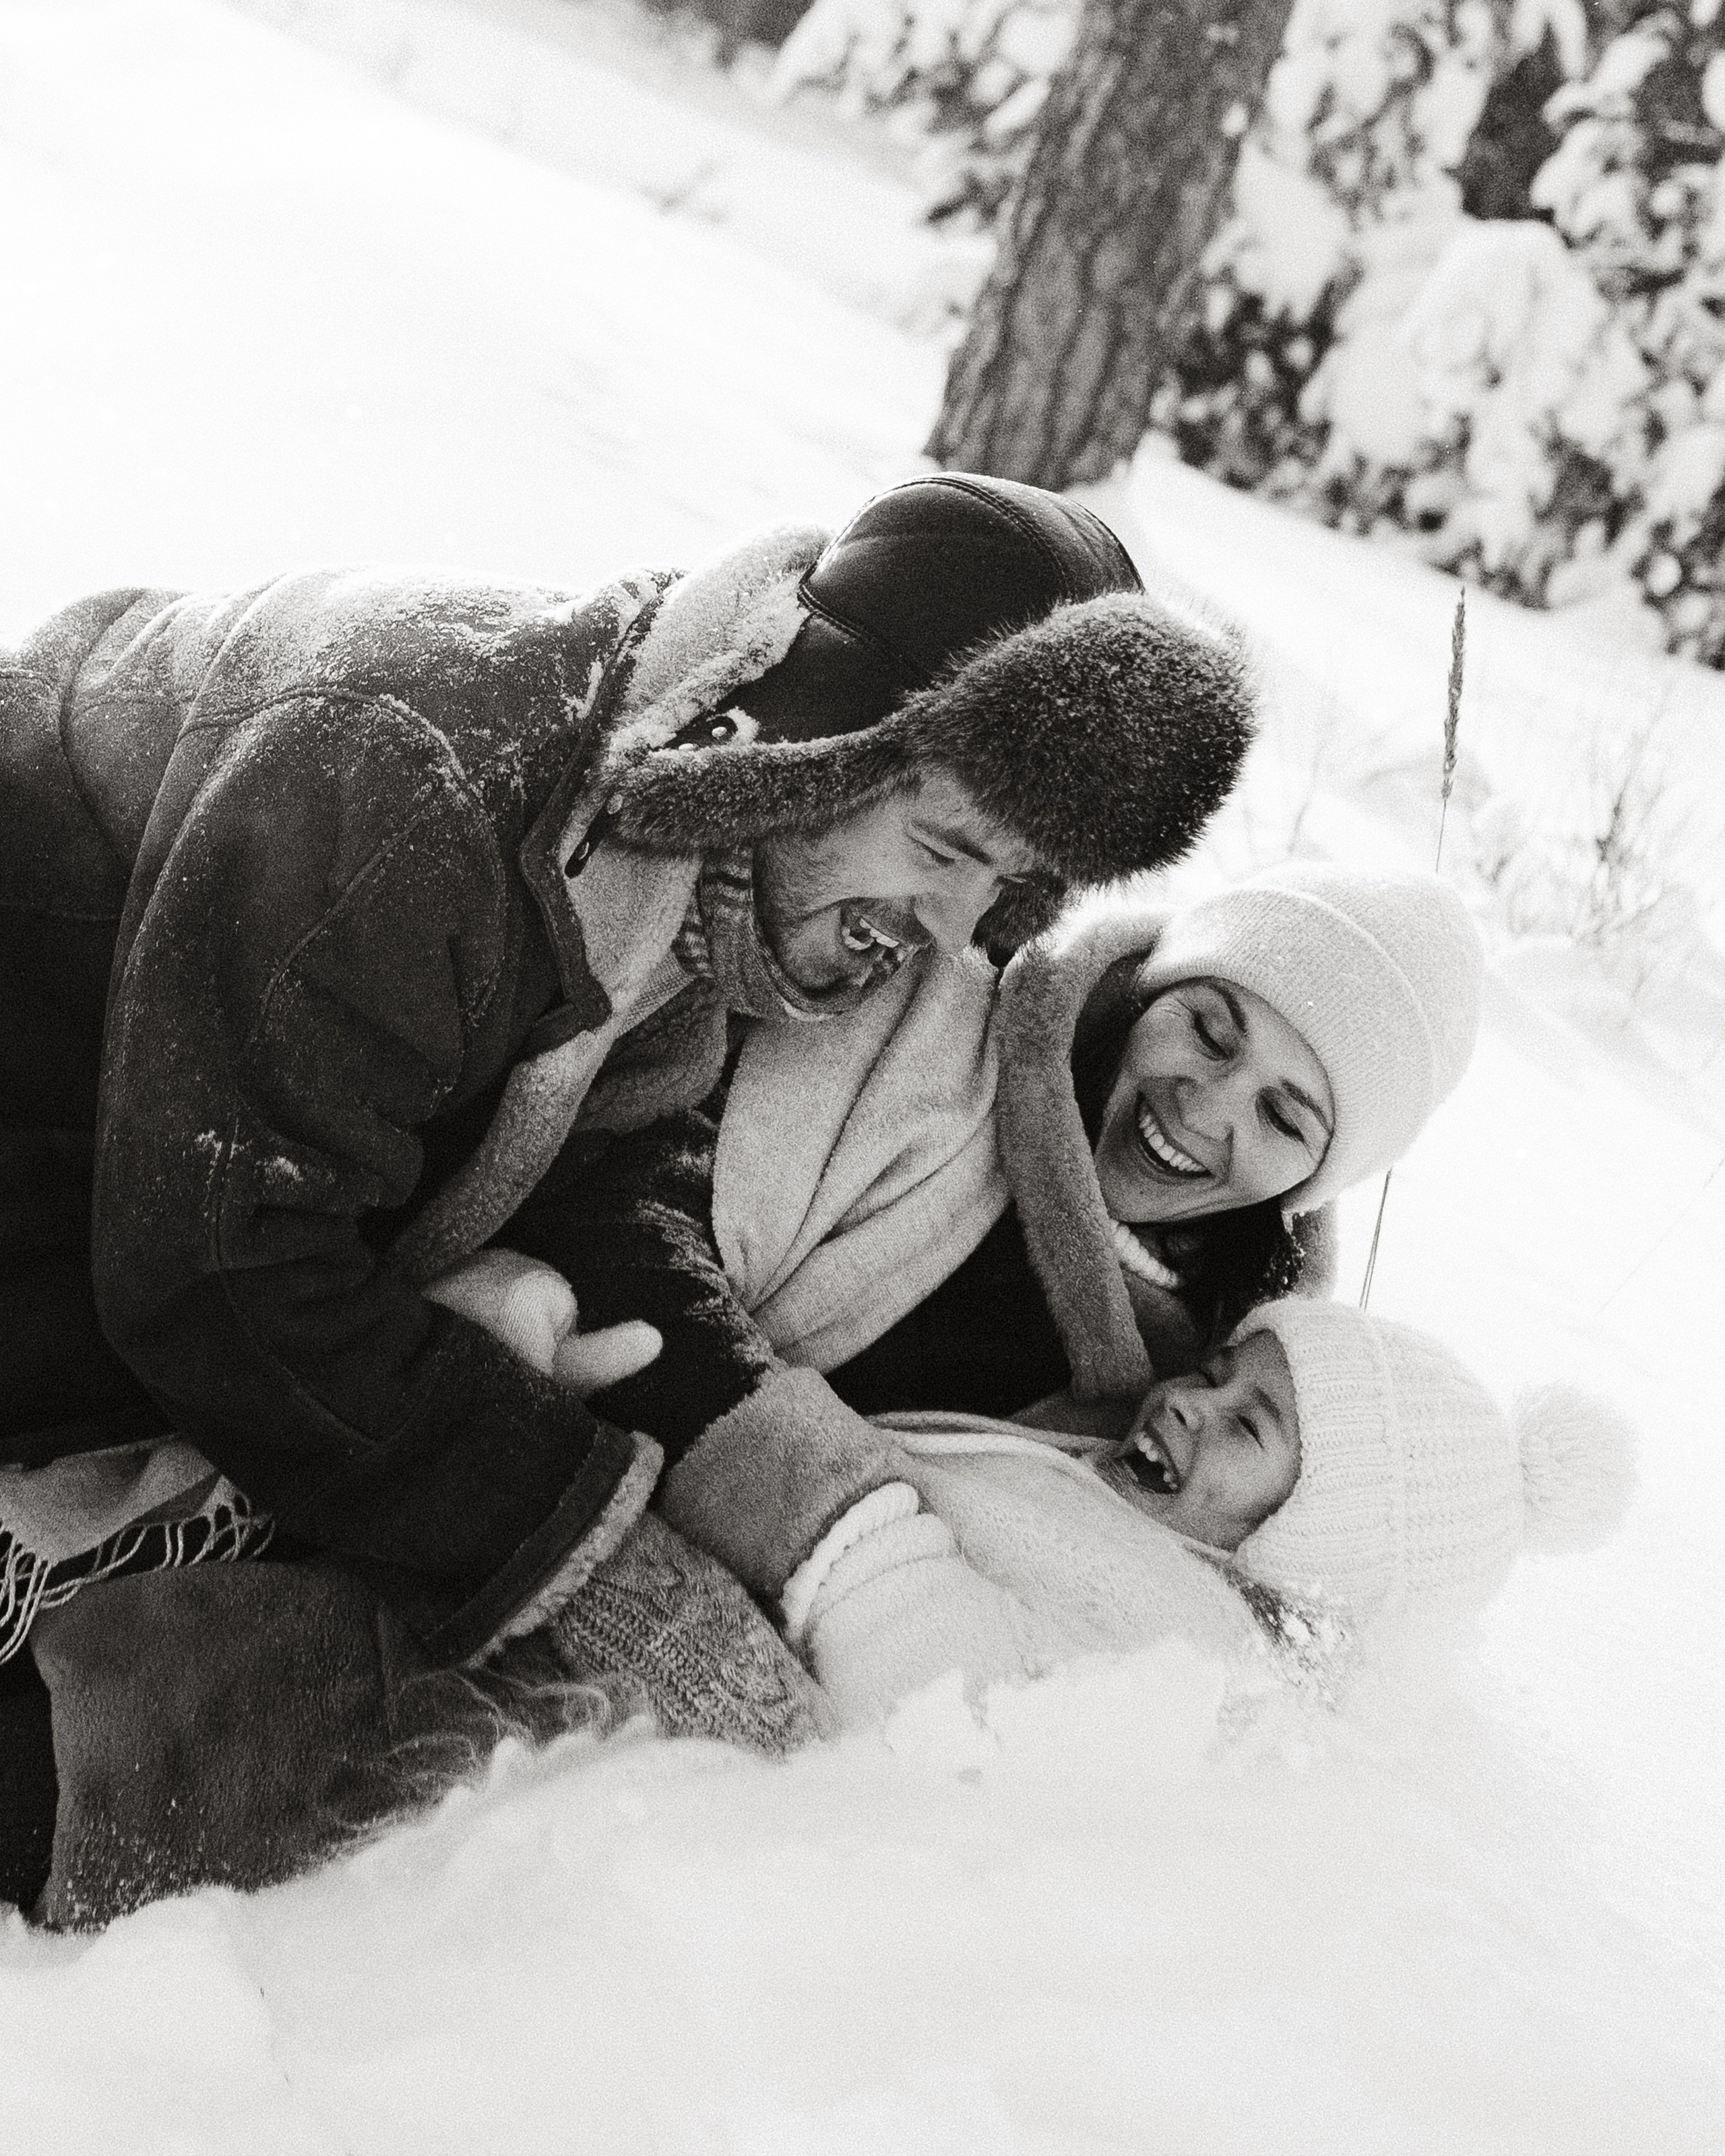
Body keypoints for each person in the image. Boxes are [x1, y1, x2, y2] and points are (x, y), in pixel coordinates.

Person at [0, 472, 1257, 1690]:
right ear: (820, 747)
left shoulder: (679, 861)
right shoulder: (427, 785)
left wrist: (827, 1539)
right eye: (942, 848)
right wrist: (573, 1543)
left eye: (1009, 884)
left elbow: (597, 1178)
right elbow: (221, 1261)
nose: (952, 928)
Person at [515, 860, 1486, 1599]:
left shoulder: (1222, 1381)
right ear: (1151, 991)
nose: (1204, 1106)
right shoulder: (936, 1005)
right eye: (1207, 1029)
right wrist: (843, 1536)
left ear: (1313, 1179)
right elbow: (621, 1218)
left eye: (1281, 1116)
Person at [784, 1297, 1637, 1724]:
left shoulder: (1180, 1635)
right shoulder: (1139, 1505)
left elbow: (932, 1701)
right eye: (1215, 1373)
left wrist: (834, 1508)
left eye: (1248, 1426)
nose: (1190, 1401)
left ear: (1297, 1546)